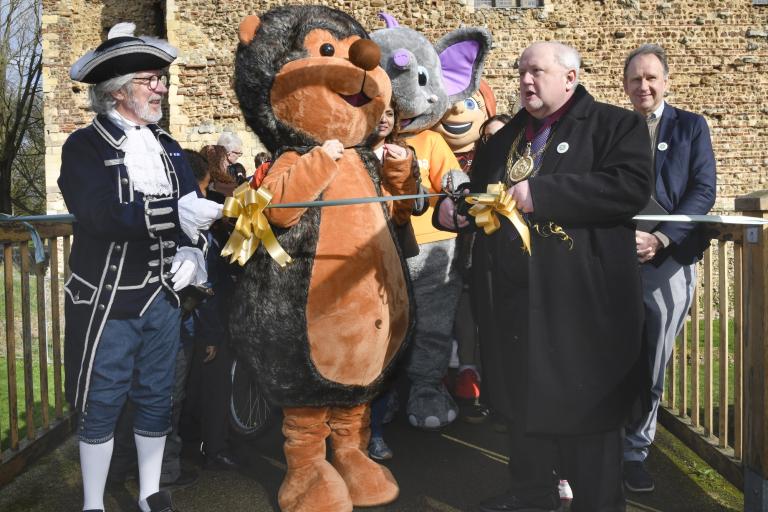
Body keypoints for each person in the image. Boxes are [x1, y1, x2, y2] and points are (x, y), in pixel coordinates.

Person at [436, 41, 653, 511]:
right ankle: (531, 494)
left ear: (570, 78)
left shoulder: (616, 125)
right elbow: (483, 192)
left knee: (586, 416)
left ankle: (597, 503)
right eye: (521, 72)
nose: (525, 81)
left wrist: (545, 194)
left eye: (536, 71)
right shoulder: (506, 137)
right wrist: (455, 210)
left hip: (578, 304)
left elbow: (630, 187)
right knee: (522, 404)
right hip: (514, 302)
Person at [60, 22, 222, 512]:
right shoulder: (83, 146)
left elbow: (193, 214)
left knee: (157, 396)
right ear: (118, 90)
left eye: (161, 79)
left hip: (165, 299)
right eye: (151, 79)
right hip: (107, 299)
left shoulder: (169, 147)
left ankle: (151, 492)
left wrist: (194, 252)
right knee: (102, 399)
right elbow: (99, 215)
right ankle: (93, 502)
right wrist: (173, 216)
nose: (162, 88)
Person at [621, 43, 717, 493]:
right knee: (612, 356)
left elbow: (703, 190)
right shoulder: (615, 128)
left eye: (651, 78)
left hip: (669, 260)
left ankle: (635, 452)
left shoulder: (691, 126)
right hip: (616, 261)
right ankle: (604, 446)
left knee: (653, 360)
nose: (643, 86)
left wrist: (659, 238)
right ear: (625, 85)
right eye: (635, 79)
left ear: (665, 81)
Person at [367, 100, 424, 461]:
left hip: (394, 258)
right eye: (379, 112)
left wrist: (403, 170)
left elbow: (417, 206)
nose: (384, 119)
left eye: (390, 113)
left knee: (387, 345)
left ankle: (375, 432)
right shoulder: (351, 154)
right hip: (356, 260)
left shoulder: (405, 153)